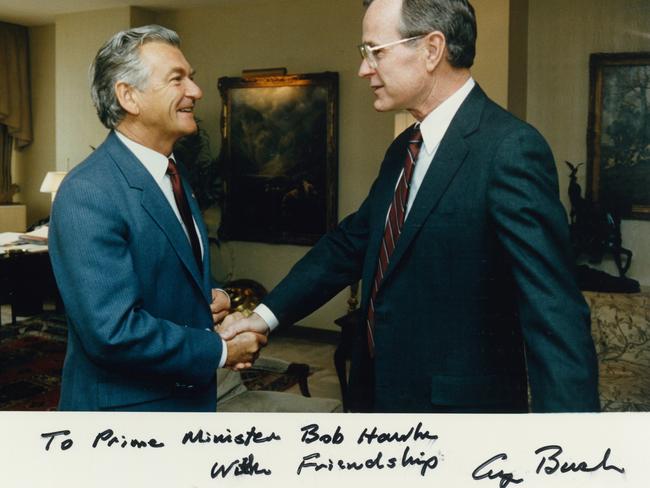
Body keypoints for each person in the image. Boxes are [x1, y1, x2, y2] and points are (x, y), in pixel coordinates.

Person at [219, 0, 600, 413]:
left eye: (374, 51)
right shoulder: (404, 148)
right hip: (375, 400)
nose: (364, 69)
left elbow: (553, 313)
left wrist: (570, 448)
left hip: (457, 418)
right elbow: (352, 243)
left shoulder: (510, 149)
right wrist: (262, 317)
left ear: (432, 49)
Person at [49, 25, 266, 412]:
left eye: (192, 78)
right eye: (177, 80)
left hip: (184, 404)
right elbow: (112, 333)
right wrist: (220, 350)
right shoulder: (89, 191)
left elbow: (167, 270)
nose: (196, 92)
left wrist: (208, 297)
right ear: (128, 96)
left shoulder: (173, 173)